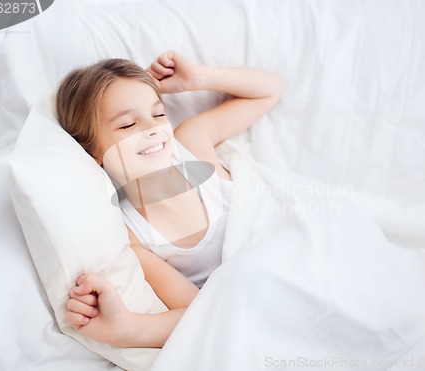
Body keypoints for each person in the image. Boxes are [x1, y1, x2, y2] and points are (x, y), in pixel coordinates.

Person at [56, 50, 284, 348]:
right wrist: (127, 328)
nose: (152, 129)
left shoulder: (192, 142)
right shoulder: (132, 233)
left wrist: (199, 78)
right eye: (127, 125)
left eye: (158, 113)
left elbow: (270, 90)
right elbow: (205, 311)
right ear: (92, 153)